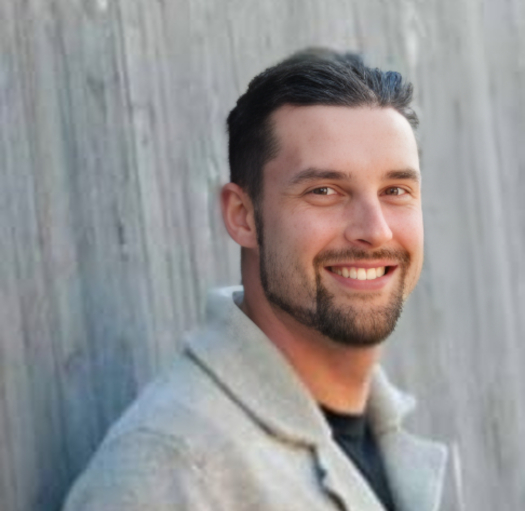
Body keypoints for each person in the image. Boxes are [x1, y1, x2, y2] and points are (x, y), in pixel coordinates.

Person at [63, 49, 448, 511]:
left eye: (396, 191)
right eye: (325, 191)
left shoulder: (388, 440)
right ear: (242, 216)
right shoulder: (172, 470)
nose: (376, 230)